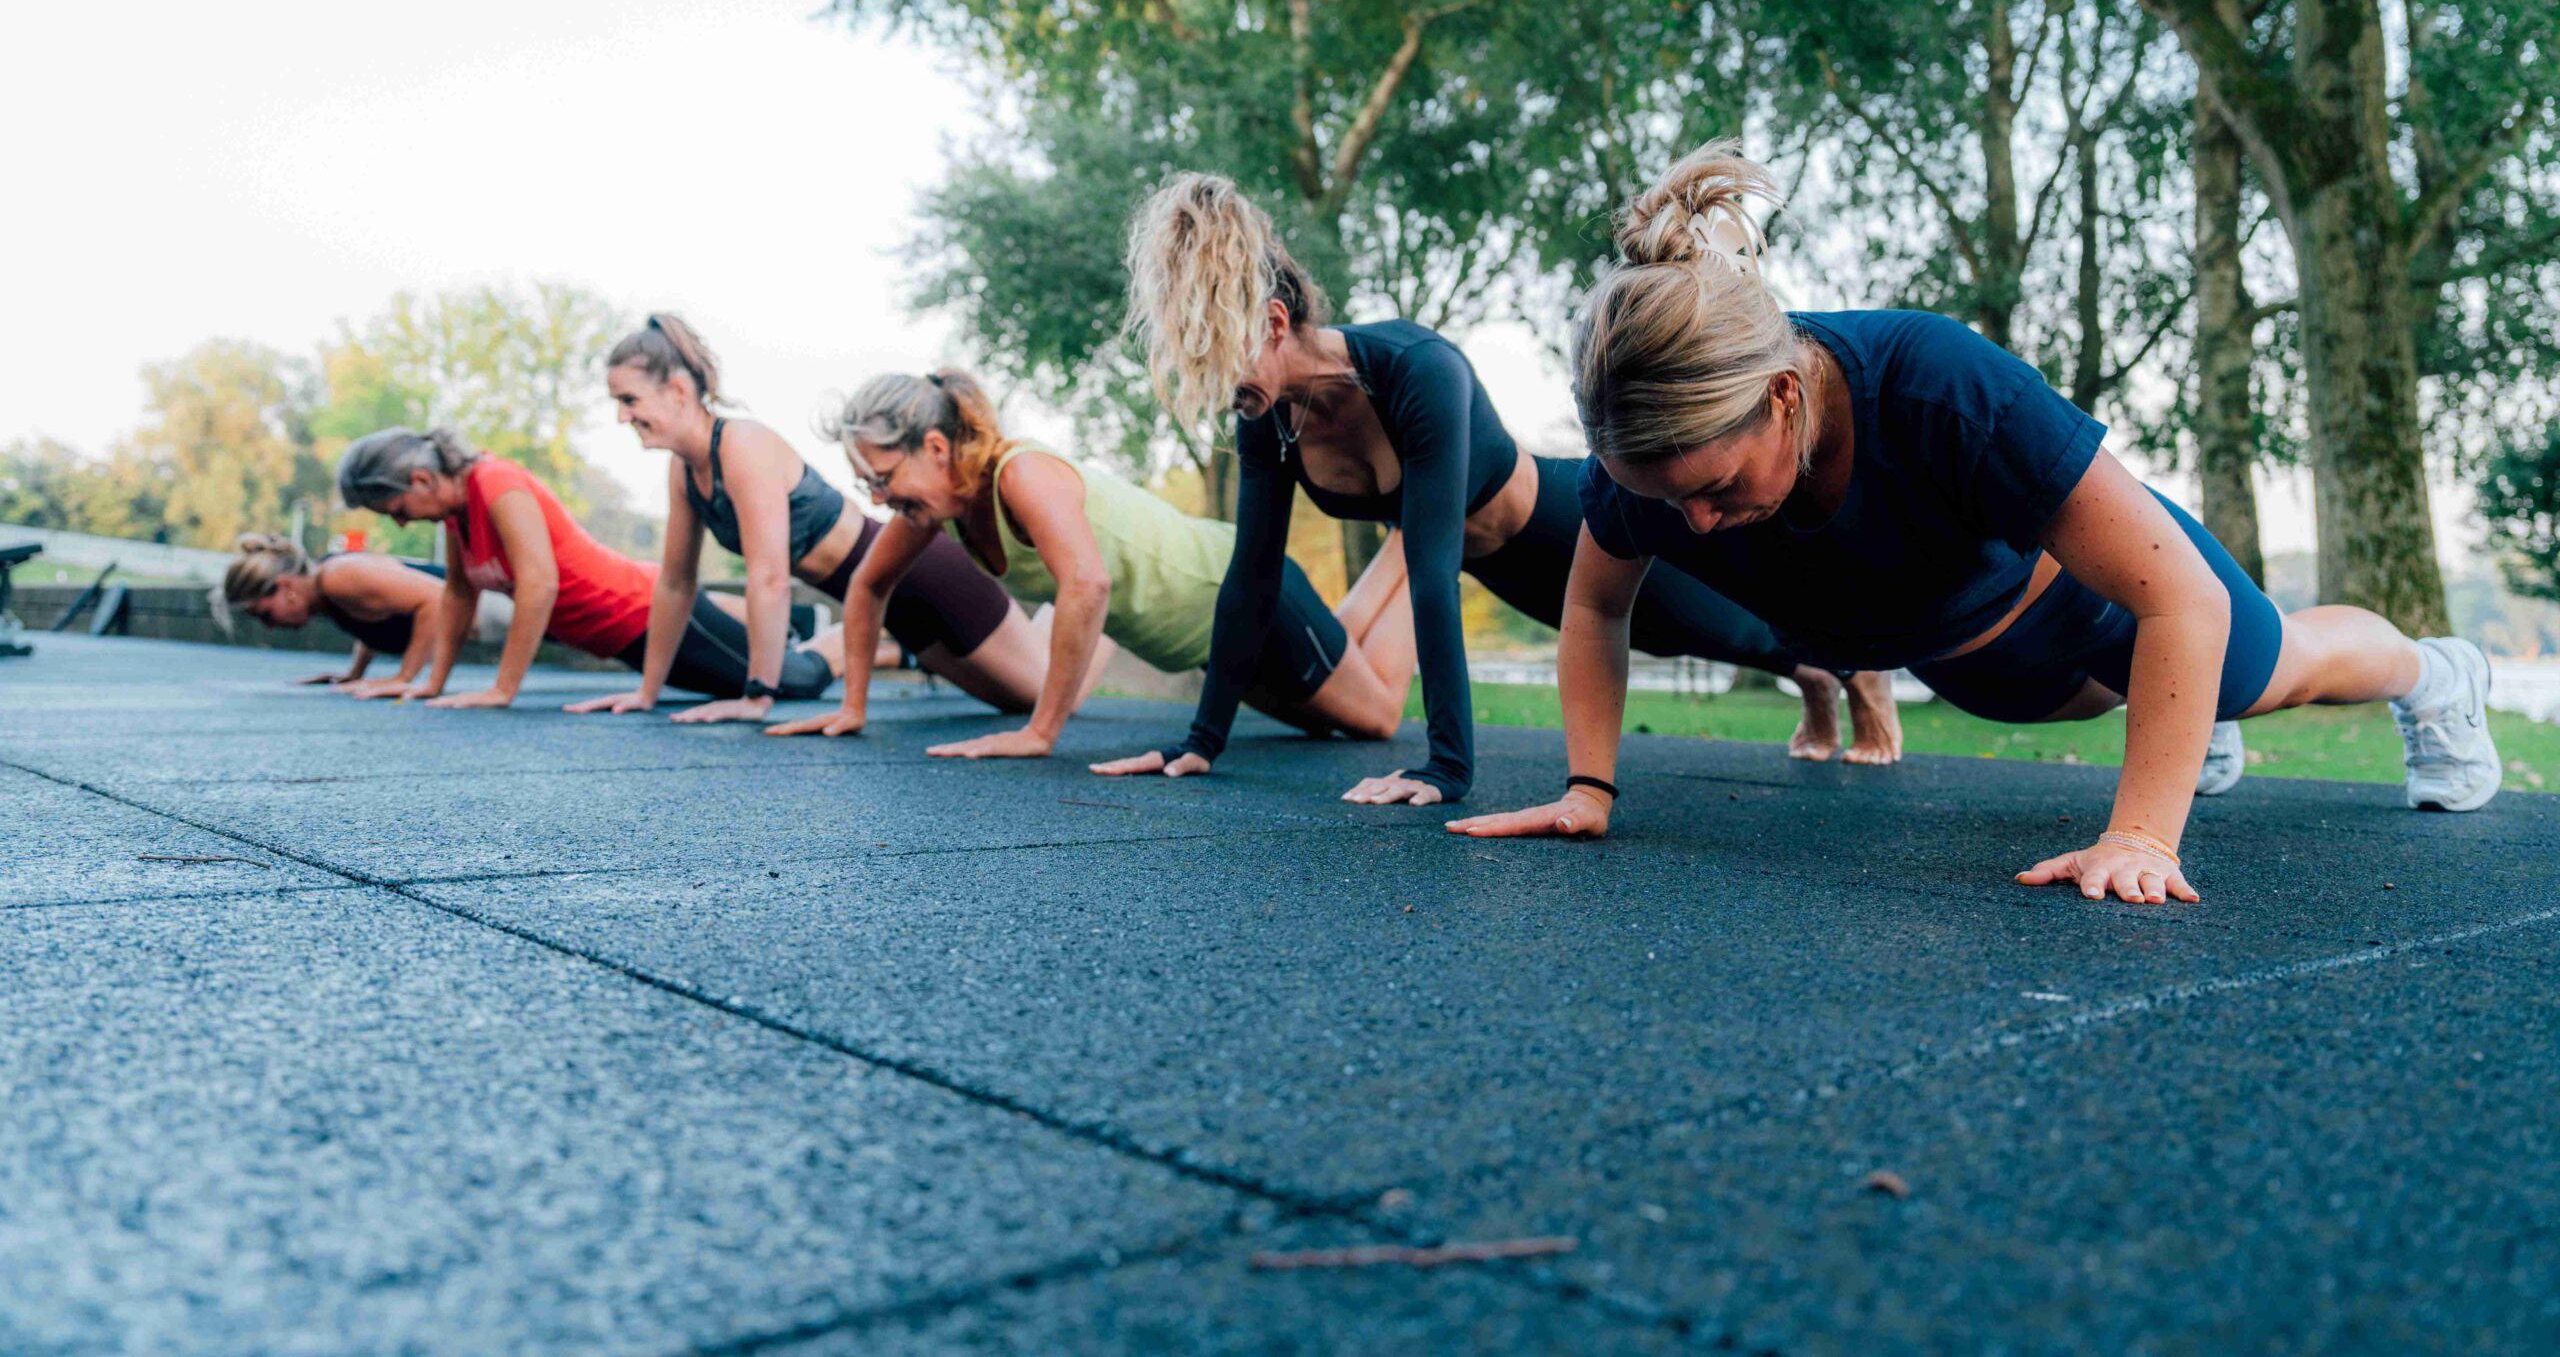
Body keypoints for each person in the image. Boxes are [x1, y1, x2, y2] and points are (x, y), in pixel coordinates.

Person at [1447, 143, 2502, 904]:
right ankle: (2180, 721)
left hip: (2099, 611)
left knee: (2266, 672)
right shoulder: (1649, 467)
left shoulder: (1939, 387)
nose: (1698, 522)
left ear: (1782, 395)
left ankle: (2434, 674)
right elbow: (1595, 608)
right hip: (1971, 661)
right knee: (2166, 694)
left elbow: (2177, 597)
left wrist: (2142, 834)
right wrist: (1588, 787)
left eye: (1715, 488)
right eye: (1664, 497)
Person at [1097, 172, 1896, 808]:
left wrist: (1446, 766)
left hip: (1558, 518)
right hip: (1500, 565)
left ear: (1274, 323)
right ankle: (1817, 679)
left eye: (1223, 362)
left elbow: (1430, 572)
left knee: (1717, 622)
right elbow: (1252, 577)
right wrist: (1200, 742)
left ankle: (1852, 669)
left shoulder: (1416, 370)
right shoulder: (1270, 416)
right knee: (1668, 638)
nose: (1224, 395)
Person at [770, 368, 1412, 762]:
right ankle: (1407, 535)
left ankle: (1425, 535)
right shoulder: (938, 508)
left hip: (1239, 592)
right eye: (866, 485)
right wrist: (853, 707)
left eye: (882, 478)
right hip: (1203, 642)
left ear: (936, 448)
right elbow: (868, 584)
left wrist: (1040, 731)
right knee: (1333, 703)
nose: (877, 498)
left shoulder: (1021, 475)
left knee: (1376, 719)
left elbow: (1087, 583)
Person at [581, 313, 1057, 726]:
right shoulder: (684, 471)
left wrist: (757, 696)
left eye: (629, 400)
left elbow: (770, 578)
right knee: (1014, 702)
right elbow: (675, 584)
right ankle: (1017, 631)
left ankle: (1083, 616)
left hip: (924, 576)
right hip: (883, 607)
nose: (622, 416)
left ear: (678, 391)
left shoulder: (742, 445)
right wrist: (647, 692)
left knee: (1049, 697)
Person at [335, 426, 840, 711]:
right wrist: (431, 682)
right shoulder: (455, 516)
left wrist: (502, 690)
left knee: (798, 682)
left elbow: (539, 584)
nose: (400, 524)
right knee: (762, 679)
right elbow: (458, 595)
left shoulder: (495, 481)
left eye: (396, 510)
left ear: (422, 480)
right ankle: (865, 641)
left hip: (645, 612)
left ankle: (858, 633)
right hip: (621, 639)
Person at [219, 532, 453, 697]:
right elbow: (374, 615)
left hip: (474, 603)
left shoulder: (337, 576)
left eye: (266, 615)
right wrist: (355, 673)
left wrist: (403, 678)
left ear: (285, 586)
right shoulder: (326, 592)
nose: (270, 626)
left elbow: (436, 600)